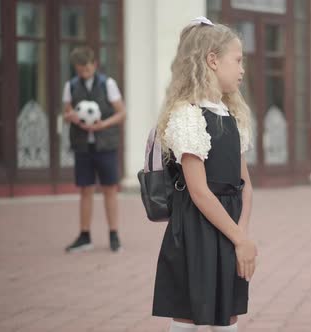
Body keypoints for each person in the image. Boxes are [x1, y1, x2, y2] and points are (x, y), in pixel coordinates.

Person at [151, 17, 257, 332]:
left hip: (229, 227)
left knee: (229, 310)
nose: (241, 69)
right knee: (189, 311)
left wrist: (241, 235)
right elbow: (198, 191)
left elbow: (245, 185)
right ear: (212, 60)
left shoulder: (232, 115)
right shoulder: (188, 115)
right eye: (237, 60)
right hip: (196, 228)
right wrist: (240, 238)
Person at [62, 46, 126, 253]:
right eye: (80, 69)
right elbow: (67, 112)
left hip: (105, 144)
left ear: (94, 65)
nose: (84, 72)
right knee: (85, 190)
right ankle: (84, 236)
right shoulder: (70, 86)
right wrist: (70, 116)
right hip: (82, 145)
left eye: (87, 68)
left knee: (110, 189)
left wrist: (103, 125)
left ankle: (114, 235)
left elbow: (122, 113)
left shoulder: (108, 84)